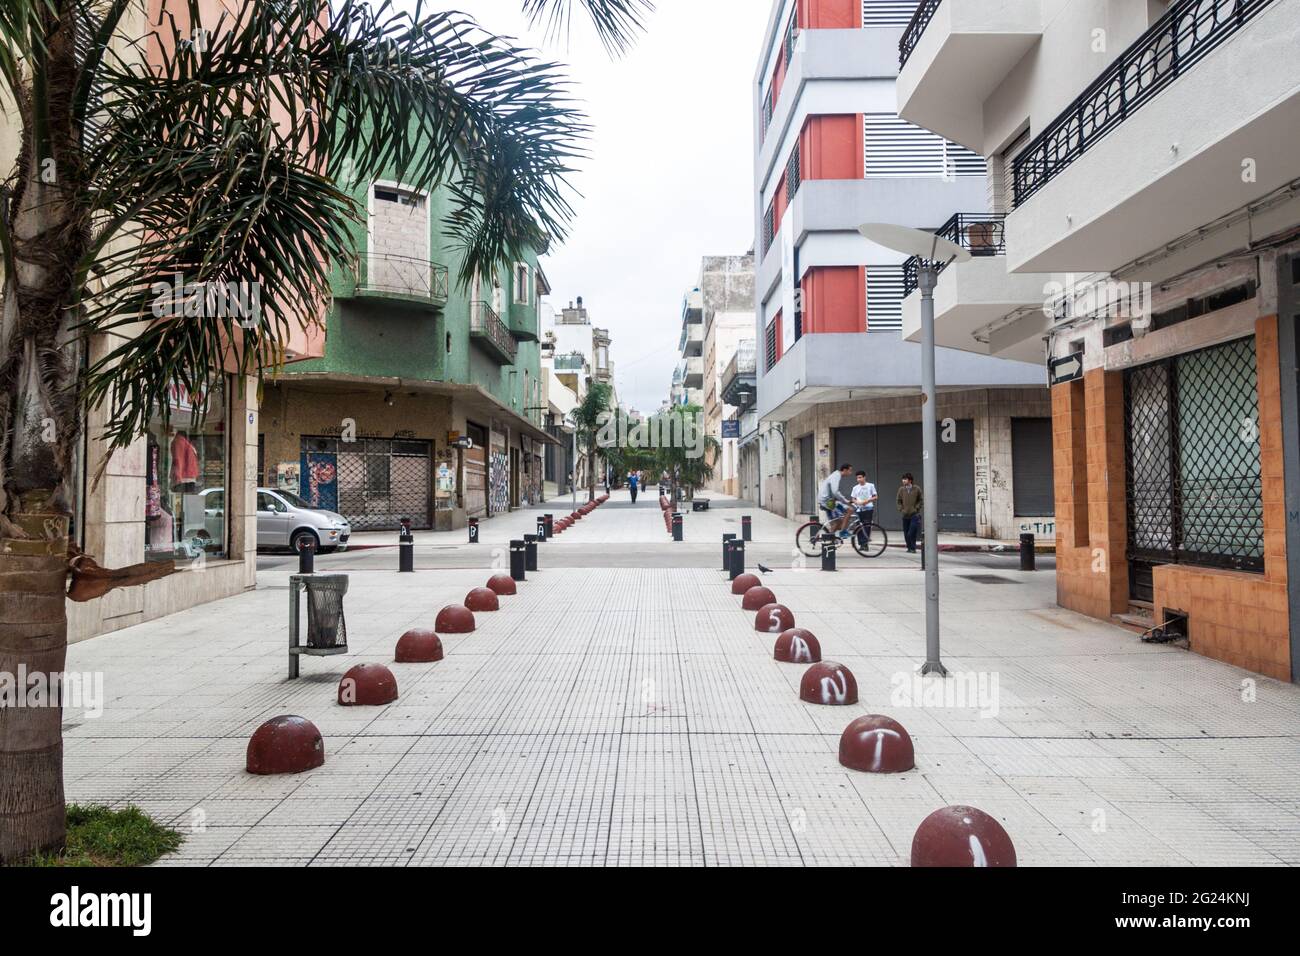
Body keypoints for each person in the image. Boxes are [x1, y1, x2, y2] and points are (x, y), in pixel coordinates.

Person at [817, 463, 855, 539]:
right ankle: (843, 532)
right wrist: (846, 501)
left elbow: (833, 492)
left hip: (827, 501)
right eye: (850, 470)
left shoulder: (836, 475)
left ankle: (829, 539)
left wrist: (843, 501)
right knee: (850, 510)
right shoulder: (836, 476)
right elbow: (835, 492)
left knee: (837, 523)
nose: (851, 473)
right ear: (844, 470)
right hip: (827, 502)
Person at [850, 471, 878, 549]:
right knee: (859, 527)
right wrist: (857, 502)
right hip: (859, 509)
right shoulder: (855, 488)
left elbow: (875, 497)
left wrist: (867, 501)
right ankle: (861, 544)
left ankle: (865, 544)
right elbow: (853, 499)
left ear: (864, 477)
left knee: (867, 526)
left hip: (868, 508)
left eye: (860, 477)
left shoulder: (870, 486)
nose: (858, 479)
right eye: (857, 478)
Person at [897, 472, 923, 554]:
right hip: (905, 514)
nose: (903, 481)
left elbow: (921, 500)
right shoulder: (901, 490)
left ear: (910, 480)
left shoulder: (917, 489)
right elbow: (898, 501)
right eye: (903, 479)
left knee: (911, 532)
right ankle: (910, 547)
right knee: (906, 532)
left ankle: (913, 547)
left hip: (914, 514)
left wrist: (917, 508)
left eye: (905, 479)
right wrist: (901, 509)